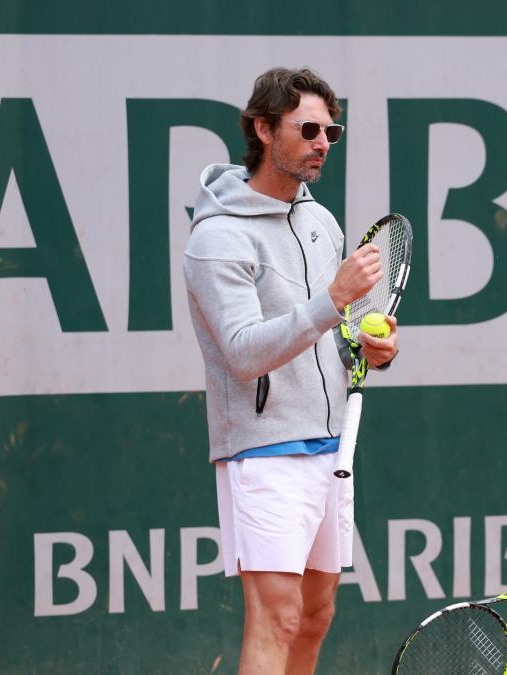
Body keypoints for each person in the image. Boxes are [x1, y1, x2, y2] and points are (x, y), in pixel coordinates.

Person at [183, 67, 398, 675]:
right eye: (307, 128)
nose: (322, 141)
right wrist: (333, 302)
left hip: (331, 446)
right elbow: (245, 352)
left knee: (314, 615)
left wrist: (372, 343)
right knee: (276, 616)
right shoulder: (217, 237)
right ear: (262, 128)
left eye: (331, 129)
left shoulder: (319, 220)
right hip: (264, 451)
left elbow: (352, 326)